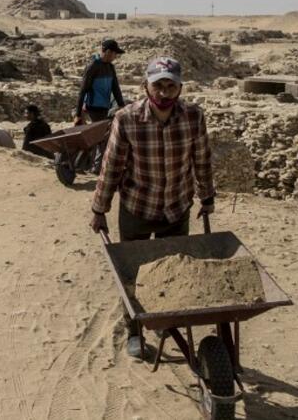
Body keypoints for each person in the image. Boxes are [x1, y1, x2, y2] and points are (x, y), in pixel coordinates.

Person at [88, 56, 217, 359]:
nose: (164, 92)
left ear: (180, 88)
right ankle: (134, 328)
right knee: (132, 272)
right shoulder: (127, 118)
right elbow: (112, 167)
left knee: (172, 269)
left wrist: (207, 197)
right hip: (137, 208)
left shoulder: (194, 117)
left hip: (176, 207)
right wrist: (99, 208)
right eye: (158, 85)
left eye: (170, 86)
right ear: (145, 85)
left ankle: (162, 318)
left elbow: (202, 159)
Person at [75, 38, 126, 172]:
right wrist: (77, 114)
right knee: (95, 138)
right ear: (108, 52)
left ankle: (93, 167)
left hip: (104, 108)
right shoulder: (93, 66)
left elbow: (116, 88)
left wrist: (122, 105)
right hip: (92, 107)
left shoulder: (110, 67)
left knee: (101, 138)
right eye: (115, 54)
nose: (116, 57)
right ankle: (82, 166)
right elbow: (83, 90)